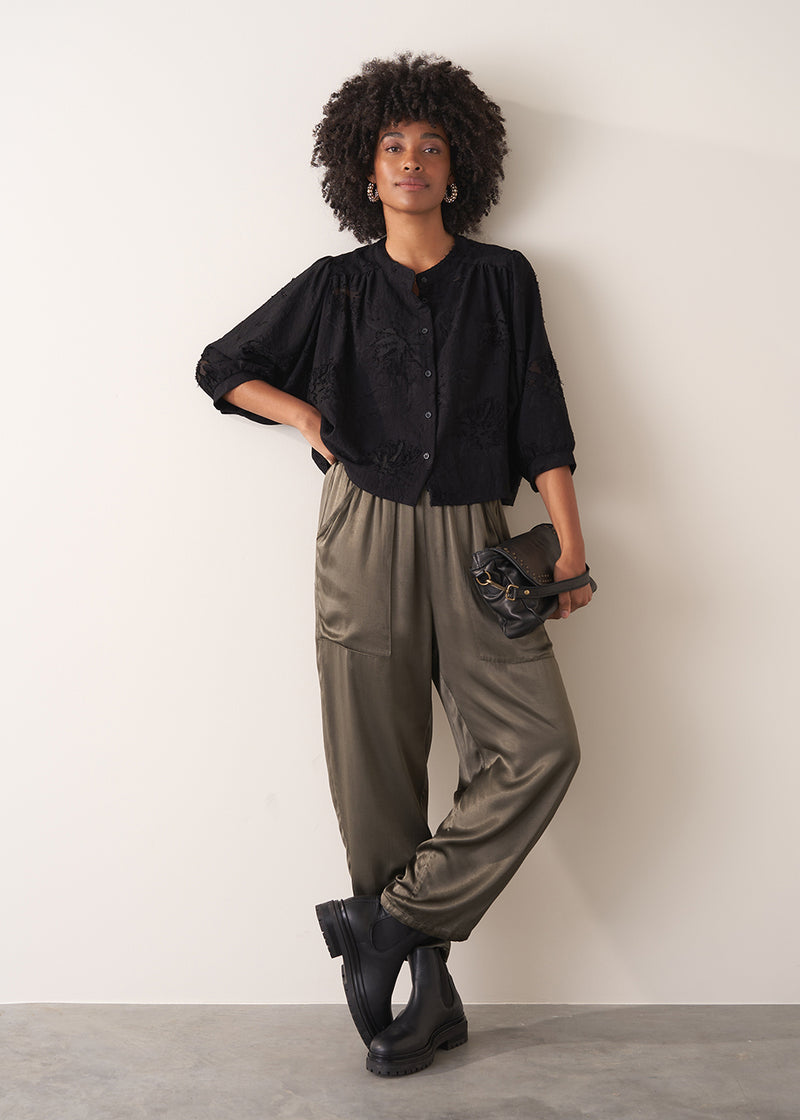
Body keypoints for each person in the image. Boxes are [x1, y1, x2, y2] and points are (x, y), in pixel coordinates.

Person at [196, 53, 593, 1077]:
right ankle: (428, 997)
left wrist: (571, 545)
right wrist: (305, 417)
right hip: (361, 530)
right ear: (362, 173)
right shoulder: (334, 287)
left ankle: (387, 924)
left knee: (539, 746)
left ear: (456, 171)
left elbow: (538, 417)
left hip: (479, 542)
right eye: (391, 148)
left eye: (428, 148)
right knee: (374, 772)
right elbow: (221, 367)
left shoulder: (503, 280)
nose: (410, 162)